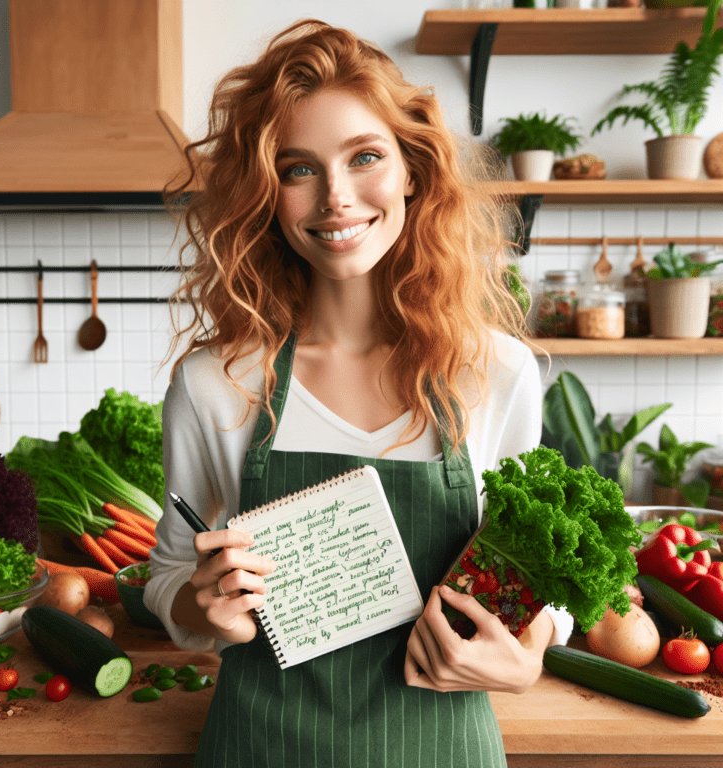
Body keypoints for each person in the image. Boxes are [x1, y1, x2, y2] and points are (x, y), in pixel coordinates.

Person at [145, 19, 570, 768]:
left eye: (365, 157)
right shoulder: (216, 384)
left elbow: (534, 571)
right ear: (266, 194)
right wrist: (201, 605)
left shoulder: (495, 373)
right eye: (298, 169)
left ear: (412, 170)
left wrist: (528, 655)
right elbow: (170, 575)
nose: (336, 198)